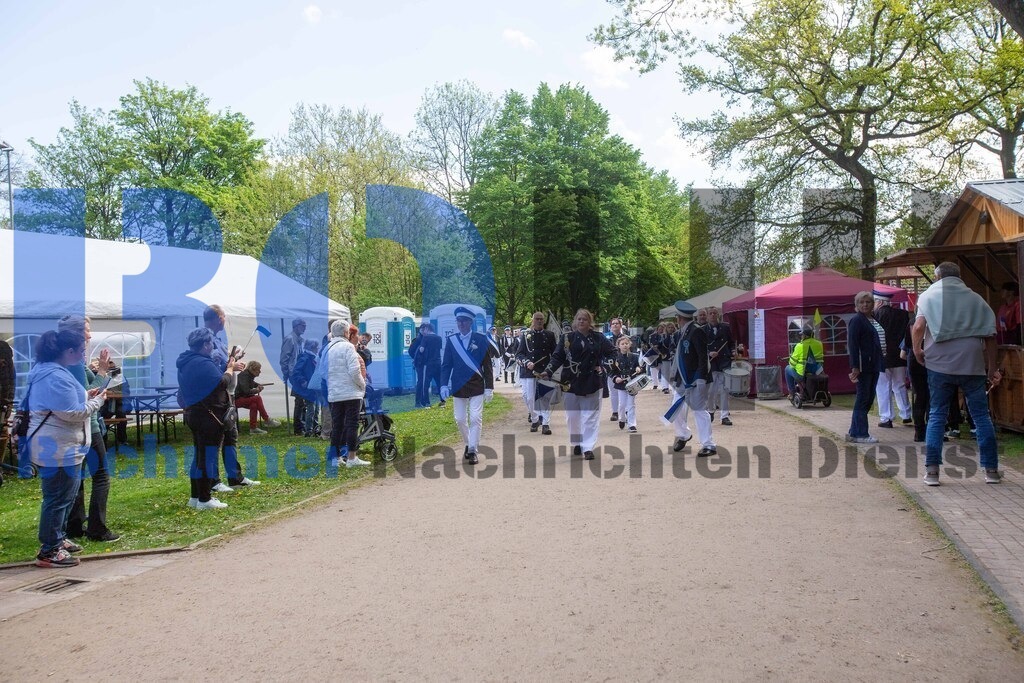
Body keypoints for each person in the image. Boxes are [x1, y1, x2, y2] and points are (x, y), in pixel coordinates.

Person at [912, 262, 1003, 486]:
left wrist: (917, 350)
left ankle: (932, 472)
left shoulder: (928, 296)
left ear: (937, 277)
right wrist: (992, 368)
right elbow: (990, 336)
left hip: (939, 364)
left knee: (937, 415)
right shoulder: (976, 299)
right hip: (972, 364)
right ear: (959, 276)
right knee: (981, 416)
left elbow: (918, 327)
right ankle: (991, 470)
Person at [27, 330, 107, 567]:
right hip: (58, 447)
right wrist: (97, 401)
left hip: (62, 445)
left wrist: (86, 395)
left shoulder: (51, 372)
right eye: (81, 351)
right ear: (68, 351)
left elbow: (65, 403)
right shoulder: (55, 376)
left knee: (64, 497)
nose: (83, 355)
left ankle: (57, 539)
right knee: (57, 499)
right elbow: (72, 413)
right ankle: (49, 550)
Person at [56, 315, 120, 543]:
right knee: (101, 476)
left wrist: (92, 370)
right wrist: (101, 372)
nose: (90, 334)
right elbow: (85, 396)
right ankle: (97, 528)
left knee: (78, 476)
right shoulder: (74, 361)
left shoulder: (65, 357)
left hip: (77, 427)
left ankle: (74, 524)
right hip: (87, 426)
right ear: (75, 333)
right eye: (86, 329)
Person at [178, 327, 247, 510]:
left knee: (199, 456)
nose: (212, 346)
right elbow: (222, 382)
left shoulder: (187, 361)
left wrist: (228, 366)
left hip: (195, 413)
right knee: (207, 457)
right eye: (210, 343)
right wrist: (230, 368)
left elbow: (210, 379)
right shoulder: (202, 363)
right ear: (205, 345)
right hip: (209, 416)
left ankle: (195, 497)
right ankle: (205, 499)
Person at [540, 308, 616, 461]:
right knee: (572, 417)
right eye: (579, 319)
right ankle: (577, 442)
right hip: (570, 382)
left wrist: (604, 367)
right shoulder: (567, 338)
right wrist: (548, 371)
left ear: (590, 322)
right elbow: (557, 357)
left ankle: (588, 447)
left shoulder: (599, 338)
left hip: (592, 381)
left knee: (590, 417)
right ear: (575, 321)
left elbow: (613, 353)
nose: (581, 321)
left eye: (585, 319)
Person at [203, 305, 259, 490]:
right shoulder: (205, 340)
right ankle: (214, 481)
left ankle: (235, 478)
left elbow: (223, 363)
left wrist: (234, 359)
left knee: (230, 436)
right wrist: (231, 367)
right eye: (224, 316)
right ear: (218, 318)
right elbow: (211, 368)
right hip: (216, 397)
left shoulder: (217, 339)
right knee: (216, 439)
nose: (225, 320)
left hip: (228, 395)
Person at [440, 308, 498, 463]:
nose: (461, 324)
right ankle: (468, 443)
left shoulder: (480, 339)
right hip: (459, 385)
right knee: (459, 419)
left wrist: (489, 387)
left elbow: (487, 365)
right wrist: (444, 384)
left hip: (476, 385)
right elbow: (446, 365)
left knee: (475, 417)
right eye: (458, 321)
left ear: (470, 322)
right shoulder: (452, 340)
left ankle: (473, 450)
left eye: (464, 321)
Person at [666, 301, 716, 457]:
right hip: (683, 378)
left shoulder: (696, 331)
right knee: (675, 408)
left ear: (679, 318)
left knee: (700, 411)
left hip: (695, 378)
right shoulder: (682, 332)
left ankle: (709, 444)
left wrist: (701, 379)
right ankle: (684, 434)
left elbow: (702, 357)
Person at [327, 322, 370, 468]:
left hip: (335, 392)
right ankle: (352, 457)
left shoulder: (329, 348)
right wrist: (362, 384)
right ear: (346, 333)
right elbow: (354, 371)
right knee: (352, 424)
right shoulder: (348, 347)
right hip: (351, 392)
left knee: (337, 425)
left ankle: (335, 458)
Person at [847, 291, 884, 444]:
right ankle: (861, 433)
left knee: (868, 399)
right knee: (863, 398)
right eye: (861, 302)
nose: (865, 305)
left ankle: (854, 432)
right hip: (863, 366)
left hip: (874, 364)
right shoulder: (857, 320)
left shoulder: (872, 319)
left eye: (868, 302)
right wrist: (855, 366)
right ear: (857, 305)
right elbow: (853, 344)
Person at [873, 291, 912, 428]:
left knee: (883, 386)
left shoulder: (875, 316)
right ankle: (906, 414)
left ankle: (886, 417)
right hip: (900, 356)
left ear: (879, 302)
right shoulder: (903, 314)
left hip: (882, 357)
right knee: (900, 385)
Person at [517, 311, 558, 435]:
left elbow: (555, 354)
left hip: (544, 370)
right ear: (533, 320)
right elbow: (519, 353)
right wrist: (526, 362)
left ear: (543, 321)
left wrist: (551, 369)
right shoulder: (526, 335)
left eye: (541, 319)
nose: (539, 321)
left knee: (544, 398)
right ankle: (535, 419)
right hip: (529, 371)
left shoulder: (549, 335)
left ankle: (545, 424)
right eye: (537, 319)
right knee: (529, 398)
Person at [704, 306, 734, 425]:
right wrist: (708, 353)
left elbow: (731, 342)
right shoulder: (702, 330)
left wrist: (733, 351)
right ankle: (711, 410)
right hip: (711, 363)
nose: (713, 315)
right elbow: (700, 347)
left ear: (718, 315)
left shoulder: (726, 327)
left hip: (724, 361)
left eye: (714, 313)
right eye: (710, 313)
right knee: (711, 391)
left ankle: (724, 416)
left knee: (725, 390)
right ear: (707, 316)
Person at [235, 361, 279, 434]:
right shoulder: (244, 376)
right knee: (257, 398)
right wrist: (257, 390)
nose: (260, 371)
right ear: (253, 369)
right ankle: (266, 419)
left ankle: (253, 428)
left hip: (239, 399)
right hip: (235, 400)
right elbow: (246, 391)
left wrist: (257, 385)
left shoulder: (247, 375)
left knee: (254, 405)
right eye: (258, 369)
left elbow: (251, 383)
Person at [280, 318, 307, 435]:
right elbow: (284, 358)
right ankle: (298, 428)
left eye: (305, 326)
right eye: (302, 325)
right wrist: (286, 373)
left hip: (299, 373)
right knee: (300, 400)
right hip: (294, 374)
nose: (304, 328)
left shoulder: (300, 340)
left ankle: (302, 425)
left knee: (302, 400)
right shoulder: (290, 339)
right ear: (296, 326)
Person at [290, 340, 322, 437]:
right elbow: (296, 372)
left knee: (315, 409)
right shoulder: (305, 358)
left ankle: (314, 427)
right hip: (306, 388)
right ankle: (309, 430)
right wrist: (303, 381)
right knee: (311, 409)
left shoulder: (312, 357)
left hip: (313, 387)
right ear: (312, 347)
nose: (318, 349)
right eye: (316, 347)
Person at [611, 335, 641, 432]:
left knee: (631, 404)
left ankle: (632, 425)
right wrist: (616, 378)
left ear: (630, 344)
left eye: (626, 343)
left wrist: (638, 368)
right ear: (618, 346)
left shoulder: (635, 356)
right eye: (622, 344)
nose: (625, 345)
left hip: (632, 383)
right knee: (622, 404)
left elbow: (639, 366)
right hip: (621, 384)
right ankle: (622, 418)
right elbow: (612, 371)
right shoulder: (615, 358)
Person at [410, 323, 444, 408]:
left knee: (424, 383)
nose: (423, 331)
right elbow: (411, 351)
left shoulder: (424, 338)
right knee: (436, 382)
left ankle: (424, 402)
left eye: (423, 329)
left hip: (426, 364)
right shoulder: (418, 339)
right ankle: (420, 401)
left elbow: (420, 350)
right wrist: (417, 359)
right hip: (428, 363)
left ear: (426, 329)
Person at [786, 327, 823, 399]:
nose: (801, 336)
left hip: (802, 373)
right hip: (818, 371)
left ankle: (791, 393)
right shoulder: (819, 344)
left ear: (806, 336)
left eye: (802, 335)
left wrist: (790, 360)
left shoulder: (800, 345)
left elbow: (793, 363)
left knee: (787, 368)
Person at [606, 317, 626, 423]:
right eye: (613, 324)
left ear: (620, 325)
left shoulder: (626, 338)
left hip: (624, 367)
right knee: (613, 391)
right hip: (611, 367)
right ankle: (615, 412)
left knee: (625, 390)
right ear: (610, 326)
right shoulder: (606, 338)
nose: (615, 325)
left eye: (617, 323)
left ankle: (625, 411)